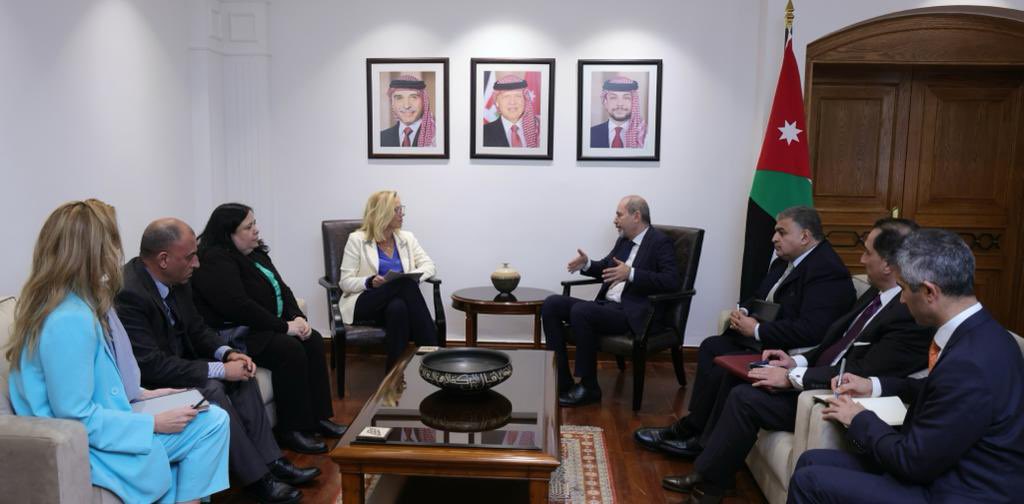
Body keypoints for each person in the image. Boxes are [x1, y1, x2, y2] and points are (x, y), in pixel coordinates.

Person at [651, 219, 933, 503]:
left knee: (745, 398)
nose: (860, 259)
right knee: (736, 374)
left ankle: (710, 485)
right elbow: (833, 343)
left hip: (830, 391)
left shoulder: (907, 314)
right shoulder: (876, 293)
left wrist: (793, 378)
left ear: (887, 264)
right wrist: (794, 362)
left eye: (868, 252)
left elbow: (861, 372)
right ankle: (710, 466)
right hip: (815, 372)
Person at [6, 199, 230, 504]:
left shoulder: (68, 303)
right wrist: (153, 423)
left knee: (208, 418)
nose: (117, 253)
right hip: (96, 446)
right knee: (212, 424)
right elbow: (75, 416)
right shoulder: (69, 318)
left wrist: (146, 394)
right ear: (95, 253)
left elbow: (95, 383)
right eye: (112, 243)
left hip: (112, 421)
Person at [787, 229, 1024, 504]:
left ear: (929, 292)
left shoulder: (970, 364)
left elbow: (912, 462)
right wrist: (873, 386)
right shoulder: (986, 333)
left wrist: (859, 418)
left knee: (809, 482)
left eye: (903, 289)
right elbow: (934, 389)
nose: (900, 300)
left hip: (958, 490)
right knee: (810, 461)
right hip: (943, 467)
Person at [117, 218, 317, 504]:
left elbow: (197, 329)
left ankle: (272, 461)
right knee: (213, 388)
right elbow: (152, 365)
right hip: (155, 381)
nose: (197, 263)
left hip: (182, 364)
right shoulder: (130, 294)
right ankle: (258, 479)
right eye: (190, 257)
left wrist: (227, 353)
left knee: (243, 374)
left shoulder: (177, 277)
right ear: (163, 259)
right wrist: (221, 370)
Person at [648, 206, 853, 450]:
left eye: (781, 232)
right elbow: (758, 296)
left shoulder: (827, 271)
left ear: (805, 236)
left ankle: (697, 439)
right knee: (711, 346)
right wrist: (744, 311)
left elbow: (812, 329)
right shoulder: (784, 261)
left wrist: (756, 330)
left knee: (724, 365)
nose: (773, 238)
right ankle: (694, 425)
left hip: (785, 350)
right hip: (765, 339)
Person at [190, 203, 346, 442]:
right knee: (289, 349)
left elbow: (283, 289)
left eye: (254, 223)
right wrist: (284, 327)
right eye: (248, 227)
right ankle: (292, 429)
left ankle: (319, 418)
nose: (256, 230)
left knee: (313, 340)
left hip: (263, 328)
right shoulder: (214, 260)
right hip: (237, 334)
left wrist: (298, 317)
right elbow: (239, 306)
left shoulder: (256, 253)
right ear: (228, 233)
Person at [542, 195, 680, 407]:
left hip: (633, 312)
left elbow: (672, 281)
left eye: (619, 215)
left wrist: (631, 273)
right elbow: (606, 268)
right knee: (551, 304)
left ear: (636, 216)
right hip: (608, 307)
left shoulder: (660, 242)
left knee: (581, 310)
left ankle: (589, 387)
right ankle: (562, 381)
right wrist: (587, 264)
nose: (615, 220)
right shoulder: (624, 241)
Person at [339, 190, 438, 368]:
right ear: (382, 213)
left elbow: (429, 265)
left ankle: (393, 374)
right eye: (397, 209)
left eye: (401, 209)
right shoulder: (357, 240)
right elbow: (345, 282)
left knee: (398, 308)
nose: (402, 214)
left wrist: (413, 278)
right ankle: (433, 354)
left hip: (393, 304)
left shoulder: (407, 238)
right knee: (405, 284)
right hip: (365, 302)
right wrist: (369, 281)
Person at [482, 75, 540, 148]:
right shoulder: (482, 133)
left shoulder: (539, 130)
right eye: (506, 96)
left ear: (525, 99)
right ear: (497, 102)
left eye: (517, 96)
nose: (512, 102)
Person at [380, 74, 437, 148]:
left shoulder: (436, 137)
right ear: (392, 103)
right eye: (399, 98)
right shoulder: (381, 138)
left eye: (413, 97)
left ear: (424, 101)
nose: (406, 106)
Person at [590, 77, 647, 149]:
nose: (620, 104)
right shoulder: (590, 134)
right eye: (613, 98)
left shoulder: (644, 135)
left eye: (626, 98)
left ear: (634, 103)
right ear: (605, 102)